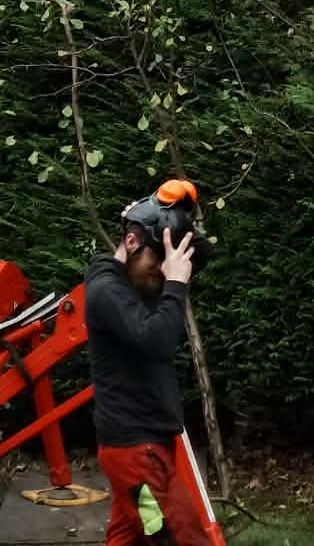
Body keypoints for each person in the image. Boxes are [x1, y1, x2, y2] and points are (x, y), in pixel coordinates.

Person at [84, 177, 219, 546]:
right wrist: (175, 285)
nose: (162, 272)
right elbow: (156, 341)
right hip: (136, 454)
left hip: (142, 447)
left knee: (129, 538)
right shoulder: (106, 290)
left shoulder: (133, 283)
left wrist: (177, 221)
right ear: (131, 242)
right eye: (156, 262)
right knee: (179, 538)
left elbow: (199, 257)